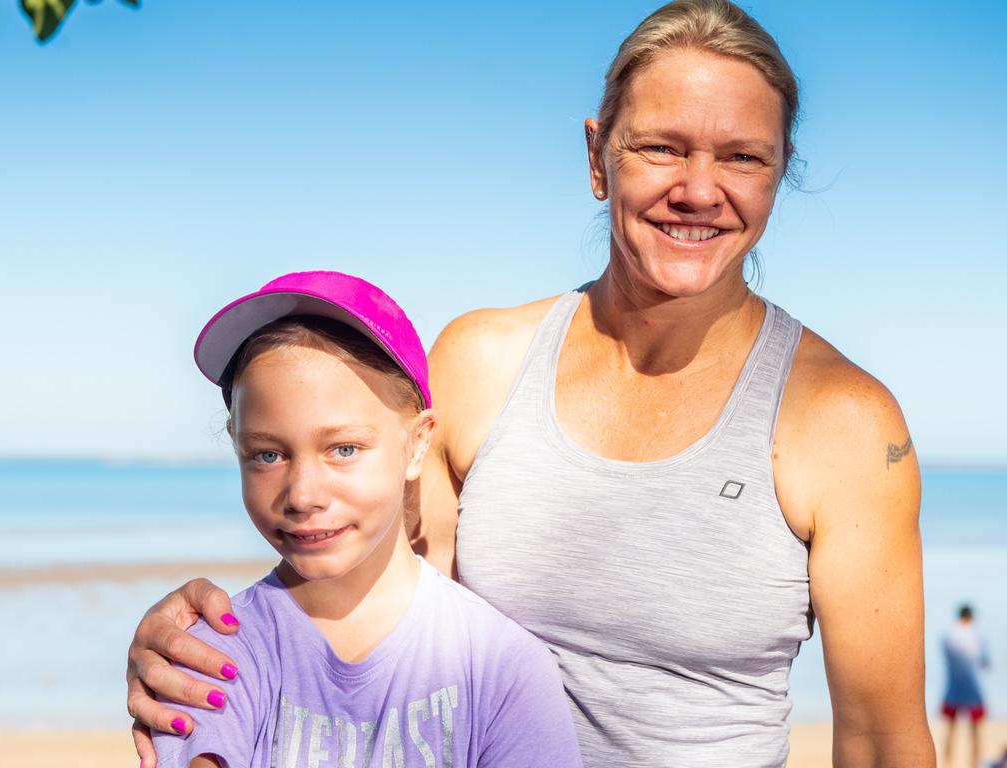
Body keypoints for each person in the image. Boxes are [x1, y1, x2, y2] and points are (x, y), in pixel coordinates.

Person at [126, 2, 935, 766]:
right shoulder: (481, 365)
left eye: (742, 156)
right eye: (661, 147)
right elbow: (370, 606)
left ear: (777, 171)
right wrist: (202, 640)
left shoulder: (846, 425)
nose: (697, 188)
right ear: (596, 158)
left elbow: (880, 741)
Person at [148, 270, 582, 768]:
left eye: (344, 449)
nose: (303, 495)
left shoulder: (502, 667)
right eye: (268, 455)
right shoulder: (215, 656)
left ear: (418, 443)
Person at [942, 604, 991, 768]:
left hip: (953, 687)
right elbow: (983, 662)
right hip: (971, 688)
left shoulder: (949, 635)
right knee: (975, 730)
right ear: (971, 617)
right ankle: (974, 764)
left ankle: (947, 763)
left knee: (950, 730)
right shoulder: (974, 635)